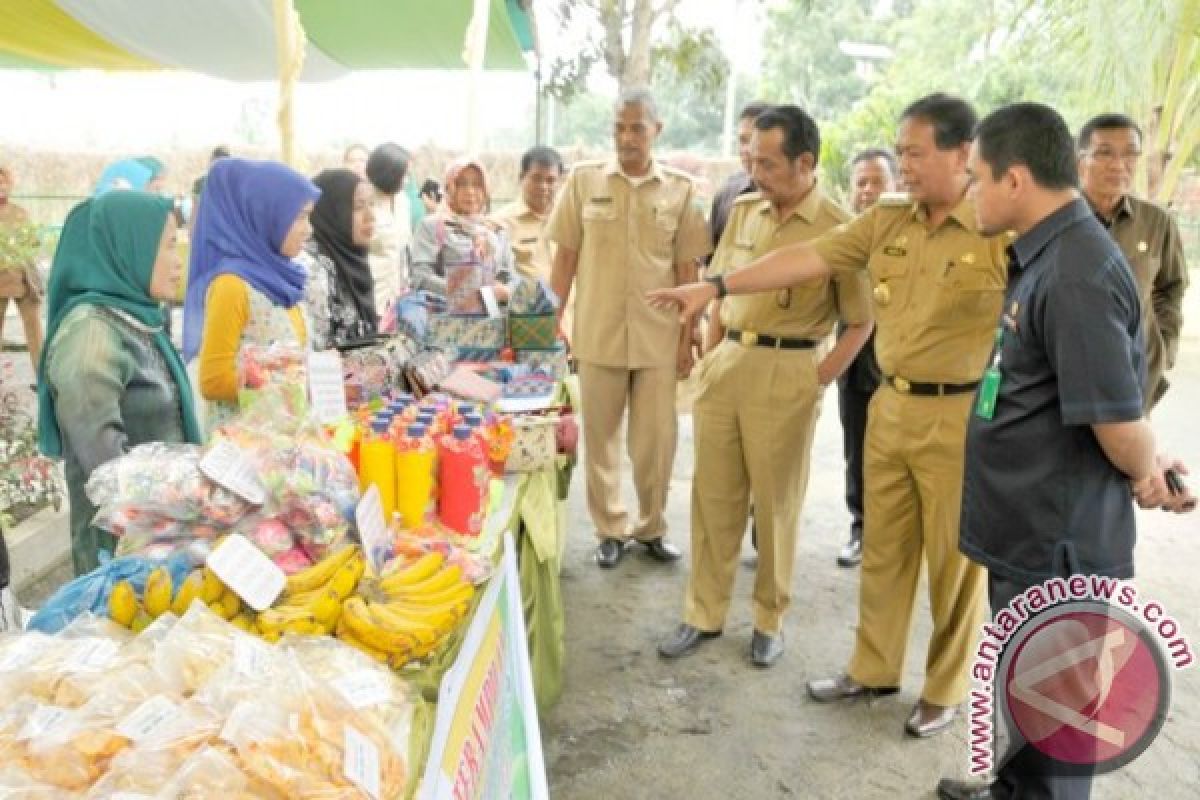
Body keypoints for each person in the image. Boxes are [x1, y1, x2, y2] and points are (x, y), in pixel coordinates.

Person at [649, 94, 1007, 737]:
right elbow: (809, 258)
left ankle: (945, 689)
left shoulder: (997, 229)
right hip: (890, 403)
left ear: (962, 154)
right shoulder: (888, 221)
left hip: (959, 412)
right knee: (885, 552)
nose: (902, 165)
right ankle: (872, 669)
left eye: (914, 153)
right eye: (899, 152)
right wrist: (717, 286)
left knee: (953, 565)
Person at [935, 101, 1196, 800]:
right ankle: (1010, 790)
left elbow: (1116, 423)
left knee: (1059, 725)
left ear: (1015, 180)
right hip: (1028, 533)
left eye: (979, 177)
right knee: (1027, 700)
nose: (971, 193)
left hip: (1060, 546)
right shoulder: (1050, 252)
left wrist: (1149, 469)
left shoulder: (1078, 270)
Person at [656, 105, 872, 666]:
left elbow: (860, 322)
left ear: (806, 162)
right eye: (752, 161)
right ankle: (702, 612)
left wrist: (818, 379)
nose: (757, 175)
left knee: (776, 505)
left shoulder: (840, 225)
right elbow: (720, 292)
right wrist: (711, 354)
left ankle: (768, 618)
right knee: (712, 499)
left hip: (789, 369)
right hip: (730, 364)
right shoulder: (746, 210)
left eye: (770, 164)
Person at [548, 87, 711, 568]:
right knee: (600, 439)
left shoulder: (680, 191)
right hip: (597, 334)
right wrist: (550, 328)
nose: (626, 136)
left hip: (658, 339)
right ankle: (609, 529)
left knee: (656, 442)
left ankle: (652, 526)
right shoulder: (582, 183)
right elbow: (565, 263)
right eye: (619, 126)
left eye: (637, 127)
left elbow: (689, 275)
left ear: (656, 130)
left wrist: (687, 338)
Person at [38, 191, 203, 575]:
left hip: (164, 537)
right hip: (123, 556)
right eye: (166, 248)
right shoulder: (91, 337)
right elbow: (105, 470)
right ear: (126, 250)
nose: (178, 263)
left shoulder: (134, 318)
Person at [184, 158, 319, 429]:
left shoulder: (281, 278)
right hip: (246, 450)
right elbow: (212, 380)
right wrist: (277, 378)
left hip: (282, 441)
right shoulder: (232, 286)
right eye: (300, 217)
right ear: (267, 217)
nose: (309, 229)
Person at [1077, 113, 1188, 410]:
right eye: (1104, 153)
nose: (1118, 164)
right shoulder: (1056, 219)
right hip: (1068, 381)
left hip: (1135, 382)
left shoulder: (1156, 223)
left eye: (1130, 154)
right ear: (1079, 160)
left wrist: (1164, 350)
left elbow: (1171, 288)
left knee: (1131, 456)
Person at [835, 148, 899, 568]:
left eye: (878, 181)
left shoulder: (913, 234)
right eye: (861, 182)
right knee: (856, 448)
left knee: (899, 454)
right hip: (856, 361)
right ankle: (861, 528)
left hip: (901, 364)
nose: (869, 191)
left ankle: (894, 537)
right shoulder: (846, 236)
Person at [409, 159, 516, 305]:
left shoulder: (496, 230)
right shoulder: (432, 226)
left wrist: (505, 291)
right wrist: (472, 293)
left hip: (494, 322)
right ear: (449, 188)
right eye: (461, 184)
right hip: (446, 322)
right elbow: (421, 278)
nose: (470, 191)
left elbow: (511, 277)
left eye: (477, 185)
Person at [303, 168, 378, 350]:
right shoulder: (312, 268)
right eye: (358, 207)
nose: (371, 216)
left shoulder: (352, 257)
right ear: (331, 212)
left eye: (372, 204)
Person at [493, 146, 565, 282]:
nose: (543, 186)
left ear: (560, 182)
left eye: (550, 180)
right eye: (536, 178)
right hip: (526, 303)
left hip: (573, 303)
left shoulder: (569, 219)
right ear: (521, 178)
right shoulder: (500, 223)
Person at [709, 102, 771, 252]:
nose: (746, 150)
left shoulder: (793, 198)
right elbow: (709, 261)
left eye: (753, 141)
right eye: (743, 140)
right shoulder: (727, 193)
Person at [0, 166, 45, 370]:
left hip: (24, 280)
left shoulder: (20, 212)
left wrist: (27, 245)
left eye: (4, 183)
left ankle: (43, 376)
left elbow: (33, 243)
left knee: (35, 329)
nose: (2, 187)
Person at [364, 143, 413, 315]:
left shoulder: (403, 202)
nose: (406, 179)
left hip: (399, 295)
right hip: (372, 294)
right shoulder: (363, 201)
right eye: (403, 174)